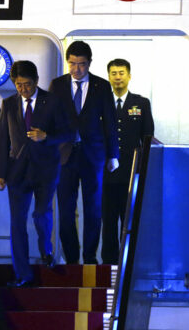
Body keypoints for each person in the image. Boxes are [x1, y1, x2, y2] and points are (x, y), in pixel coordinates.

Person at [0, 60, 71, 286]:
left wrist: (46, 136)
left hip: (46, 169)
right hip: (17, 170)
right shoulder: (8, 104)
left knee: (40, 213)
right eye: (19, 85)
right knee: (17, 223)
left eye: (27, 84)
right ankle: (23, 274)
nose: (23, 89)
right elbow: (2, 140)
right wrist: (0, 172)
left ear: (36, 81)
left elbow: (69, 132)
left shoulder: (53, 101)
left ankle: (46, 249)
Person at [49, 41, 119, 264]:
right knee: (66, 211)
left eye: (81, 64)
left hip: (93, 155)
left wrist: (113, 154)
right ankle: (71, 259)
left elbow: (110, 121)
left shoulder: (101, 86)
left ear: (89, 63)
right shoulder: (57, 85)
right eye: (72, 64)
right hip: (64, 156)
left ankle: (89, 257)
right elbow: (50, 121)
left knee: (93, 210)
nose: (76, 69)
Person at [101, 58, 154, 264]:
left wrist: (145, 170)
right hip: (105, 175)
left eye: (121, 73)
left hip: (132, 174)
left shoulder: (141, 103)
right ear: (109, 77)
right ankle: (109, 265)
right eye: (113, 73)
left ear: (129, 76)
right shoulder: (101, 103)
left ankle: (130, 264)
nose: (117, 77)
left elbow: (148, 137)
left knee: (130, 222)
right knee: (108, 223)